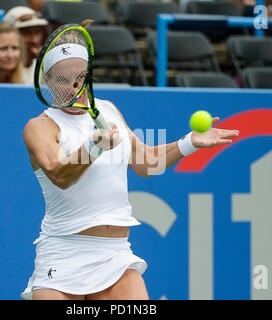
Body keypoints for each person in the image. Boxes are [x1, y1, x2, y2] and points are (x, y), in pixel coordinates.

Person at [21, 22, 240, 300]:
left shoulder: (109, 110)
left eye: (79, 77)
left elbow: (146, 163)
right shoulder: (40, 127)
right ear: (48, 82)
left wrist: (188, 143)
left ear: (87, 75)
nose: (73, 87)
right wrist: (93, 147)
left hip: (115, 255)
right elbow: (59, 174)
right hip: (63, 252)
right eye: (63, 80)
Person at [3, 6, 48, 85]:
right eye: (26, 33)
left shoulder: (45, 67)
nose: (35, 40)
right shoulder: (0, 70)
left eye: (37, 32)